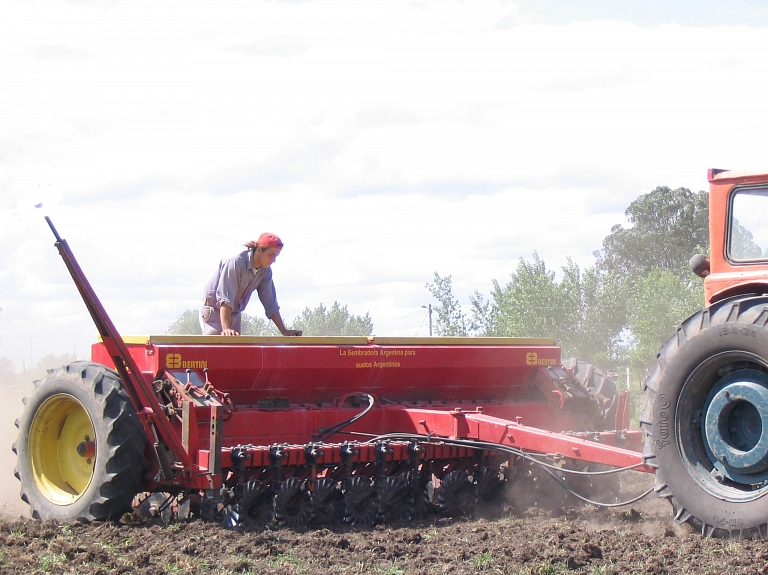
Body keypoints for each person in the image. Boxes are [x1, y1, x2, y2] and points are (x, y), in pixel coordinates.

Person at [200, 233, 302, 336]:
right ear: (259, 249)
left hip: (234, 314)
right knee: (214, 349)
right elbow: (226, 298)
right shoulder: (235, 262)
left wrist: (284, 331)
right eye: (271, 255)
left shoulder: (265, 271)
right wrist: (226, 329)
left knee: (233, 350)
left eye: (276, 256)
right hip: (214, 312)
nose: (274, 260)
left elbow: (270, 303)